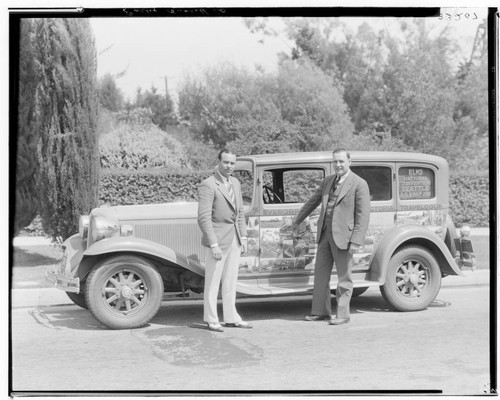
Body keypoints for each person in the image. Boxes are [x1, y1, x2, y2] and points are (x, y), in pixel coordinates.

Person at [288, 148, 370, 325]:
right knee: (320, 276)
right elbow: (313, 201)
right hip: (325, 235)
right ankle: (320, 312)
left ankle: (343, 314)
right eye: (335, 162)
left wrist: (356, 240)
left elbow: (363, 215)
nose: (338, 165)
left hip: (344, 238)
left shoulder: (359, 183)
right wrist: (296, 220)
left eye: (341, 161)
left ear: (349, 161)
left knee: (344, 278)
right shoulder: (328, 181)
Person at [197, 149, 252, 332]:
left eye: (232, 163)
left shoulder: (235, 182)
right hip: (218, 242)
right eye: (226, 162)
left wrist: (243, 236)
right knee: (212, 282)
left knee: (230, 282)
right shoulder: (208, 185)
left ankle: (231, 317)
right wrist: (213, 244)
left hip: (235, 239)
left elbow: (240, 212)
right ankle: (212, 319)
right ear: (219, 162)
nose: (229, 166)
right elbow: (204, 218)